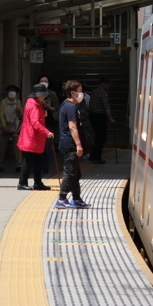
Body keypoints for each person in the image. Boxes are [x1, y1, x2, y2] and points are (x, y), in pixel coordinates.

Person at [55, 80, 91, 209]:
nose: (82, 95)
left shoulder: (65, 105)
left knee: (76, 173)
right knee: (70, 172)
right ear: (72, 93)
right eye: (80, 92)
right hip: (70, 144)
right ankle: (62, 198)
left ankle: (76, 198)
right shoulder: (71, 107)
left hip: (67, 143)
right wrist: (78, 145)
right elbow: (72, 127)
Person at [17, 83, 54, 190]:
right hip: (32, 137)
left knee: (38, 161)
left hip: (33, 137)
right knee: (28, 161)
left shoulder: (34, 103)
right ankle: (22, 183)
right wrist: (46, 132)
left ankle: (37, 182)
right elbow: (35, 122)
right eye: (43, 94)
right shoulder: (34, 105)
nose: (44, 96)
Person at [87, 76, 116, 163]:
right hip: (100, 116)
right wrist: (110, 118)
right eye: (108, 84)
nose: (109, 86)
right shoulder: (103, 93)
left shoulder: (94, 91)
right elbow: (106, 106)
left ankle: (93, 155)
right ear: (104, 84)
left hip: (92, 116)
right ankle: (97, 157)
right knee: (101, 137)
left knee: (97, 136)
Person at [0, 84, 23, 172]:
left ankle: (18, 164)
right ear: (7, 92)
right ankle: (0, 164)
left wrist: (19, 112)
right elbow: (1, 114)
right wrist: (4, 126)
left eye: (14, 91)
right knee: (2, 147)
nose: (12, 92)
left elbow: (21, 116)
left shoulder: (18, 102)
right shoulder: (3, 102)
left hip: (16, 126)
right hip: (5, 126)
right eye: (10, 90)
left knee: (17, 147)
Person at [37, 74, 60, 176]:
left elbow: (57, 108)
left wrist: (49, 107)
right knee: (36, 146)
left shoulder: (52, 94)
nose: (43, 83)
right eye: (41, 81)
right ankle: (37, 167)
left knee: (47, 147)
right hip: (37, 122)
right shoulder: (34, 94)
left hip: (48, 122)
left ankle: (45, 168)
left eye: (45, 81)